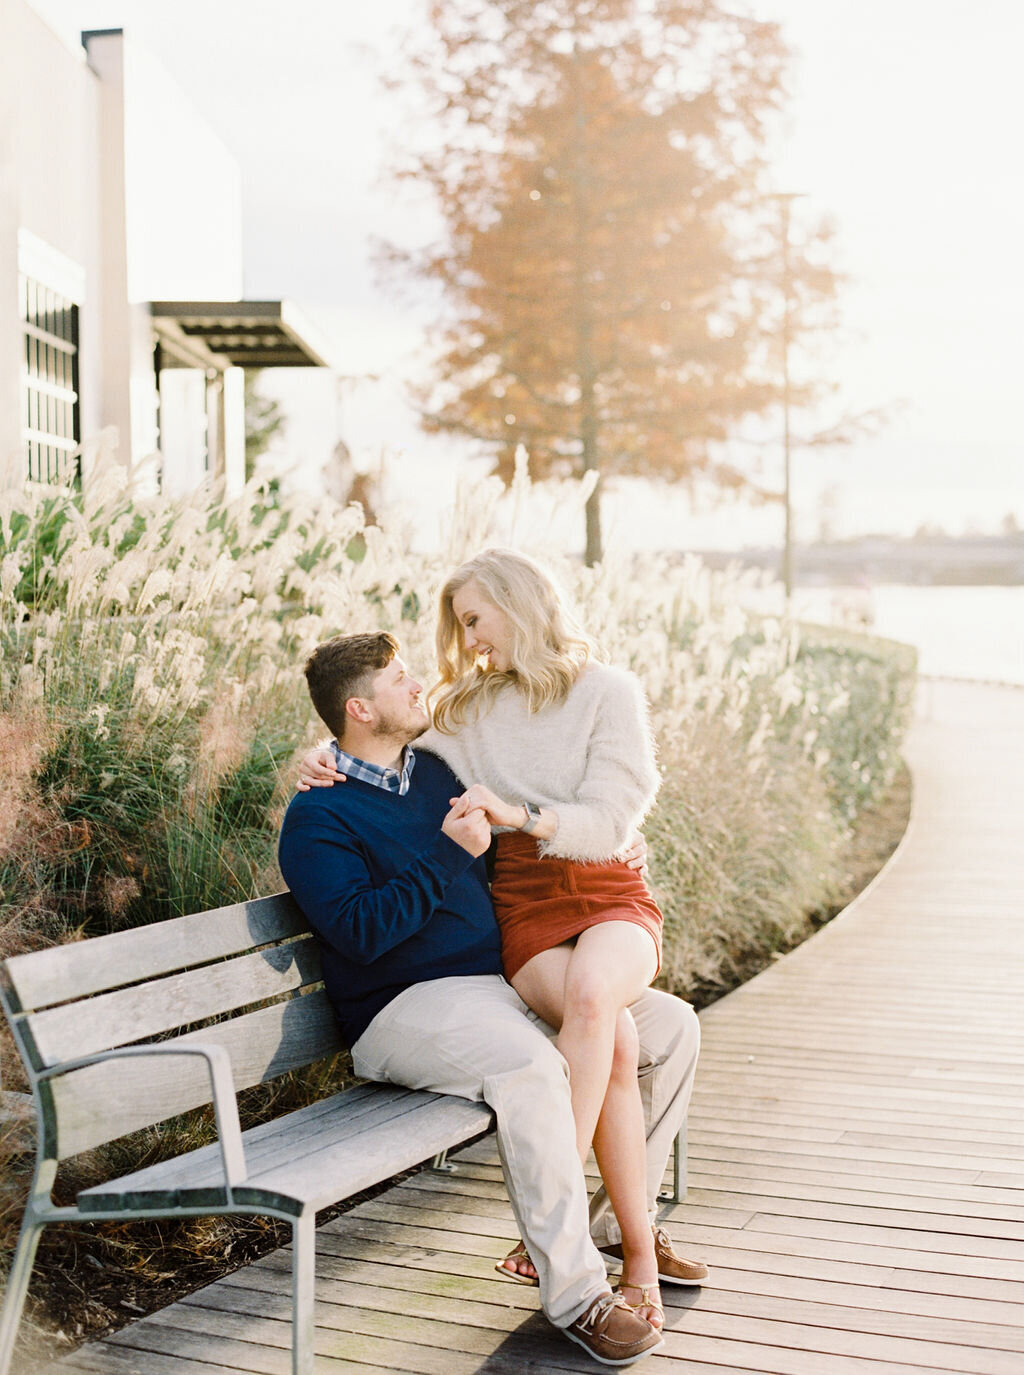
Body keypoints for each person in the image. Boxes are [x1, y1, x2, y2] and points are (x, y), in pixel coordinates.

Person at [296, 549, 707, 1329]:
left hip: (551, 928)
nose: (456, 652)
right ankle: (581, 1280)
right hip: (440, 985)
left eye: (474, 620)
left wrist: (570, 830)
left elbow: (607, 809)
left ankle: (616, 1228)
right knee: (571, 1042)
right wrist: (319, 759)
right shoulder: (362, 784)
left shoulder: (446, 762)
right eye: (402, 677)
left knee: (658, 1024)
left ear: (521, 606)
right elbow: (363, 908)